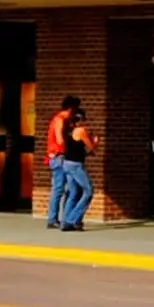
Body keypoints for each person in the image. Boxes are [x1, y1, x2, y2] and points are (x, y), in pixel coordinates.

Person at [44, 93, 93, 231]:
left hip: (62, 157)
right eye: (76, 109)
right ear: (72, 108)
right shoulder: (60, 119)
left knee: (71, 189)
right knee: (59, 188)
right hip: (59, 156)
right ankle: (53, 219)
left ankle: (67, 219)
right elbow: (60, 140)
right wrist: (71, 149)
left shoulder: (65, 121)